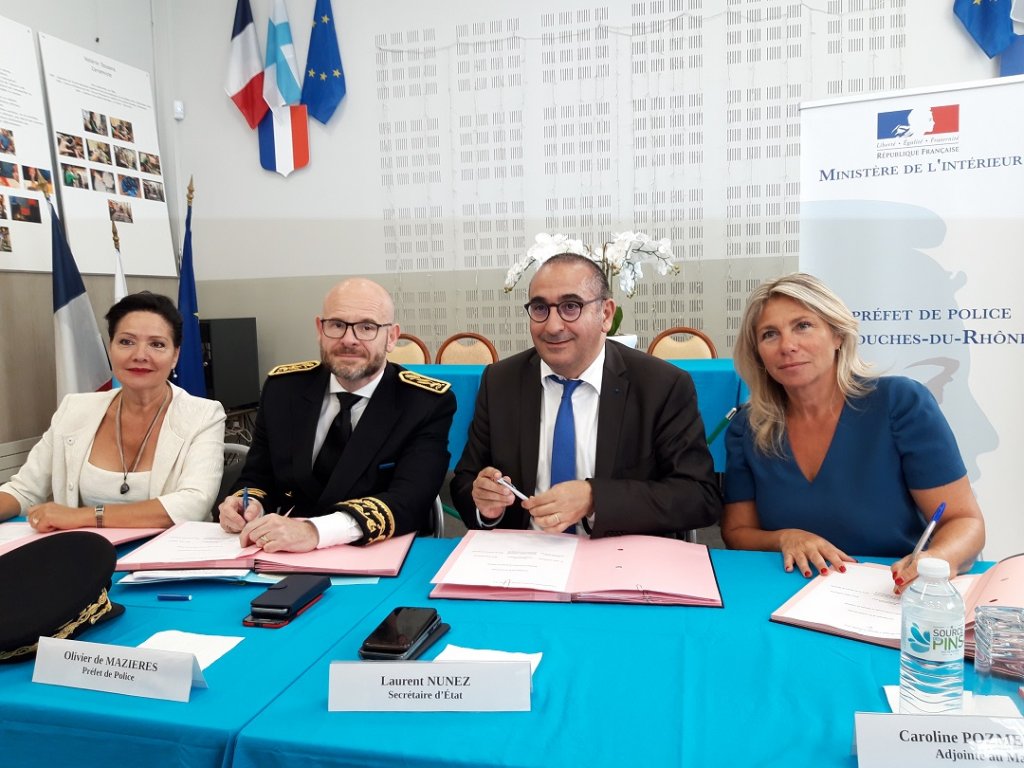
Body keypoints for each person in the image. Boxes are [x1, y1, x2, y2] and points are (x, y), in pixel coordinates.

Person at [721, 273, 984, 591]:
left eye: (803, 325)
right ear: (758, 352)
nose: (787, 346)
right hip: (785, 591)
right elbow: (737, 532)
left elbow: (964, 522)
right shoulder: (747, 427)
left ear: (838, 335)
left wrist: (935, 560)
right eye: (769, 334)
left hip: (891, 592)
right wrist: (785, 537)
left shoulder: (899, 402)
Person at [451, 252, 721, 538]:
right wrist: (484, 501)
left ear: (605, 314)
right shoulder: (500, 382)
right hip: (525, 557)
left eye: (570, 307)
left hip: (618, 556)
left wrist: (595, 497)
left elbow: (697, 495)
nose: (553, 326)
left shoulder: (661, 385)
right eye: (540, 308)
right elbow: (465, 481)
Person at [218, 278, 456, 552]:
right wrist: (247, 505)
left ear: (391, 337)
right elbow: (259, 476)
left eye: (367, 327)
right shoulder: (285, 390)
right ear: (320, 329)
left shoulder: (423, 403)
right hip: (284, 553)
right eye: (337, 325)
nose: (348, 340)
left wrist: (314, 532)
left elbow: (410, 499)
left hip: (376, 555)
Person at [0, 292, 226, 530]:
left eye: (157, 344)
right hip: (84, 555)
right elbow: (23, 490)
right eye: (126, 342)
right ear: (110, 349)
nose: (140, 355)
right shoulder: (74, 409)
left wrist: (81, 517)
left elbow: (193, 504)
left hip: (170, 559)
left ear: (175, 356)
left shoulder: (203, 415)